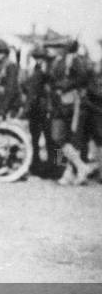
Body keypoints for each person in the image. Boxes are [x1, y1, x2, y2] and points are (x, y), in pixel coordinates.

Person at [47, 39, 97, 185]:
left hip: (73, 104)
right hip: (58, 104)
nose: (59, 49)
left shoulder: (78, 61)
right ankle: (78, 167)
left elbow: (82, 78)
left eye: (61, 47)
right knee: (57, 139)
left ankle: (68, 172)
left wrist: (64, 85)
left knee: (72, 141)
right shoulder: (57, 62)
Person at [24, 45, 56, 176]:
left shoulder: (49, 71)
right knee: (35, 139)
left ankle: (58, 166)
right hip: (36, 110)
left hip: (49, 109)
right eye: (36, 57)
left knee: (54, 140)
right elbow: (30, 88)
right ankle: (36, 165)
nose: (39, 60)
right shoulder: (34, 70)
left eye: (41, 57)